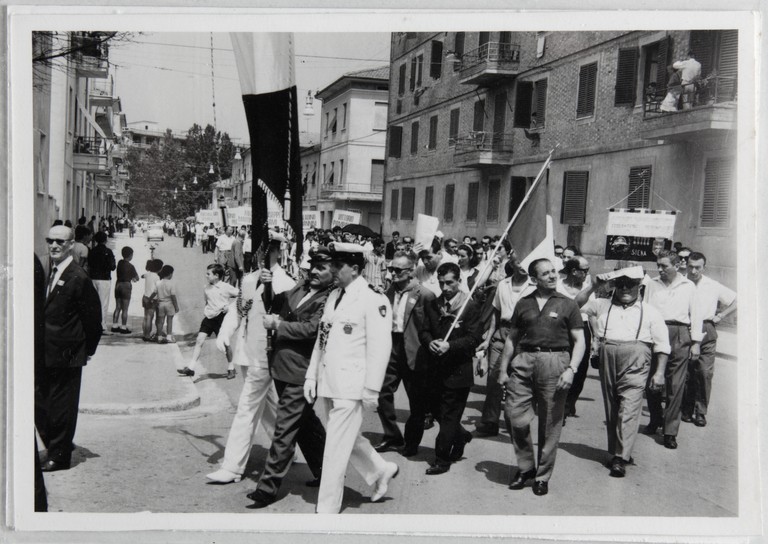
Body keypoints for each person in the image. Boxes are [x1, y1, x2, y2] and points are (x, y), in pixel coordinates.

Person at [303, 242, 398, 514]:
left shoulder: (373, 299)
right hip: (330, 382)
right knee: (346, 439)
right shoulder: (335, 295)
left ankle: (327, 509)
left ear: (355, 269)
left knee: (334, 448)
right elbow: (322, 340)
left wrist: (371, 390)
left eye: (337, 265)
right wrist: (312, 376)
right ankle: (381, 470)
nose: (332, 269)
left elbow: (381, 348)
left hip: (352, 387)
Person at [244, 246, 334, 508]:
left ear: (334, 272)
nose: (314, 271)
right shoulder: (302, 287)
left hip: (301, 372)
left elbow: (312, 329)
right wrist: (268, 284)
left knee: (284, 429)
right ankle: (326, 472)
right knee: (306, 425)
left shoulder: (331, 299)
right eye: (313, 265)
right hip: (282, 366)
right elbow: (277, 303)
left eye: (321, 267)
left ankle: (267, 488)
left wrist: (279, 325)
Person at [498, 258, 585, 496]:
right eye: (545, 273)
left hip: (555, 361)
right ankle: (526, 467)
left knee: (550, 422)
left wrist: (572, 369)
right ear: (534, 279)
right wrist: (503, 369)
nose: (552, 276)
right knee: (514, 415)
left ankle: (542, 476)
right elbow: (512, 338)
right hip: (524, 360)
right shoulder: (523, 303)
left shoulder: (568, 304)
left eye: (553, 271)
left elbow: (580, 341)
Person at [581, 267, 670, 477]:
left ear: (639, 287)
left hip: (637, 356)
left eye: (629, 284)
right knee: (613, 407)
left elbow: (662, 345)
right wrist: (593, 286)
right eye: (619, 284)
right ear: (613, 286)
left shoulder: (650, 312)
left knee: (629, 407)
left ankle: (621, 457)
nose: (624, 289)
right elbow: (574, 304)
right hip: (608, 354)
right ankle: (616, 451)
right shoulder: (601, 305)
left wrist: (659, 373)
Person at [36, 225, 102, 471]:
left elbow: (93, 319)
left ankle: (59, 456)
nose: (54, 246)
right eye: (50, 240)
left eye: (60, 242)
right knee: (39, 401)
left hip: (68, 353)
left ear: (71, 245)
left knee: (62, 406)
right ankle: (59, 443)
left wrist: (87, 350)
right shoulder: (46, 273)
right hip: (44, 351)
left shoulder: (78, 277)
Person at [419, 262, 482, 475]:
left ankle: (442, 458)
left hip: (458, 372)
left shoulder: (470, 306)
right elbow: (424, 330)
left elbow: (473, 338)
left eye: (450, 283)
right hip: (435, 370)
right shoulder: (434, 304)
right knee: (437, 411)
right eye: (441, 283)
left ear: (459, 281)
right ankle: (461, 435)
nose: (445, 288)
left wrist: (450, 345)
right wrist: (430, 342)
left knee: (449, 416)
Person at [373, 250, 437, 457]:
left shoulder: (425, 295)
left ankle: (411, 442)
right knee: (382, 393)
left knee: (416, 402)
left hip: (415, 351)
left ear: (410, 271)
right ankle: (392, 436)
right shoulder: (387, 292)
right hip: (391, 347)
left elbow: (434, 328)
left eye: (398, 270)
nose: (393, 273)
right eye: (391, 269)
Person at [642, 250, 703, 450]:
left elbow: (696, 315)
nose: (660, 269)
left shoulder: (689, 286)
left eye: (664, 266)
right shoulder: (652, 283)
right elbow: (646, 310)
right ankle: (654, 419)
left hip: (679, 333)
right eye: (658, 265)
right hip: (655, 332)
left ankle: (670, 431)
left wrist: (695, 342)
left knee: (676, 385)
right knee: (652, 379)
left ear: (677, 266)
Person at [475, 256, 535, 437]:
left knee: (519, 383)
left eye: (527, 263)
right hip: (501, 333)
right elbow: (496, 311)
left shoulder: (535, 286)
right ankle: (489, 421)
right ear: (512, 264)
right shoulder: (503, 284)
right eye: (519, 262)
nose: (523, 267)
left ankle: (517, 423)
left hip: (524, 336)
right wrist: (489, 337)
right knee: (493, 380)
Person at [681, 252, 736, 427]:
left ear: (704, 267)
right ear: (686, 265)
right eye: (691, 266)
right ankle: (686, 409)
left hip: (706, 329)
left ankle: (700, 412)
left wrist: (721, 316)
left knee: (704, 373)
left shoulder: (712, 285)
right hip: (685, 329)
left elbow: (736, 300)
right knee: (686, 373)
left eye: (698, 267)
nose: (694, 270)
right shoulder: (680, 283)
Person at [179, 263, 239, 377]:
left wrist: (229, 306)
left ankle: (231, 367)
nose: (206, 276)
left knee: (225, 344)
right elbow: (207, 301)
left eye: (208, 274)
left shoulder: (225, 287)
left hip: (221, 318)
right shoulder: (206, 288)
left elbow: (241, 295)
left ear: (216, 275)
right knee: (199, 340)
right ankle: (191, 368)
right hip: (209, 318)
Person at [557, 256, 594, 421]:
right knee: (562, 365)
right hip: (560, 329)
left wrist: (597, 338)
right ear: (573, 271)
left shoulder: (588, 288)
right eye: (584, 270)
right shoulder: (558, 286)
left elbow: (592, 314)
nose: (587, 273)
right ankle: (561, 406)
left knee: (580, 369)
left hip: (582, 328)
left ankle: (570, 400)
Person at [87, 231, 115, 332]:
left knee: (93, 302)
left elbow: (89, 264)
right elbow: (113, 267)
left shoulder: (92, 251)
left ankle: (92, 324)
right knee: (103, 303)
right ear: (105, 240)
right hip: (104, 279)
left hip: (93, 278)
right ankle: (102, 325)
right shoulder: (108, 251)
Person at [111, 246, 139, 334]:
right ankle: (123, 327)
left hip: (118, 284)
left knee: (118, 306)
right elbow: (136, 278)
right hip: (126, 286)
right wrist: (133, 278)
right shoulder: (131, 266)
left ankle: (114, 325)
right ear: (130, 255)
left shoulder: (120, 263)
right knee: (125, 308)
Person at [155, 265, 180, 343]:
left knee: (160, 321)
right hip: (169, 304)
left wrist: (150, 299)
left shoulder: (158, 282)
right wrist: (176, 306)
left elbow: (154, 293)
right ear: (170, 274)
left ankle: (159, 337)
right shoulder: (171, 283)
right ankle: (169, 337)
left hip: (161, 304)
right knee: (169, 320)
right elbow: (173, 296)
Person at [141, 258, 163, 342]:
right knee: (150, 317)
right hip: (152, 299)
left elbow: (142, 276)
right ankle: (147, 335)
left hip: (145, 297)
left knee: (146, 317)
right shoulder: (157, 278)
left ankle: (144, 333)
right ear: (159, 269)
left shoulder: (148, 274)